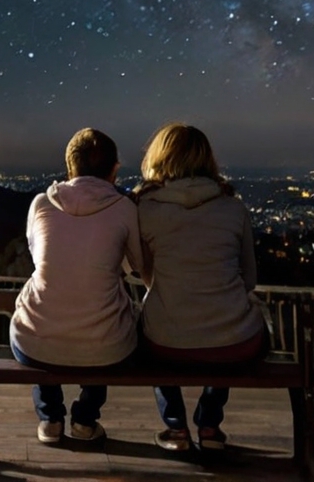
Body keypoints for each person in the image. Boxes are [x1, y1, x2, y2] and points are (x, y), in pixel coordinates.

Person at [135, 123, 267, 452]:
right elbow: (249, 279)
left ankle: (176, 427)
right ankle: (209, 423)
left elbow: (143, 274)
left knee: (144, 330)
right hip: (234, 342)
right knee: (245, 330)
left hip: (166, 341)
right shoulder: (233, 208)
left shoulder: (147, 210)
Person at [9, 127, 146, 444]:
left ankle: (51, 417)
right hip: (106, 347)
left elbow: (42, 260)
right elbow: (139, 265)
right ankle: (85, 419)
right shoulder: (124, 209)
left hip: (35, 341)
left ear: (70, 167)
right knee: (109, 328)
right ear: (114, 170)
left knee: (39, 322)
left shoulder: (41, 204)